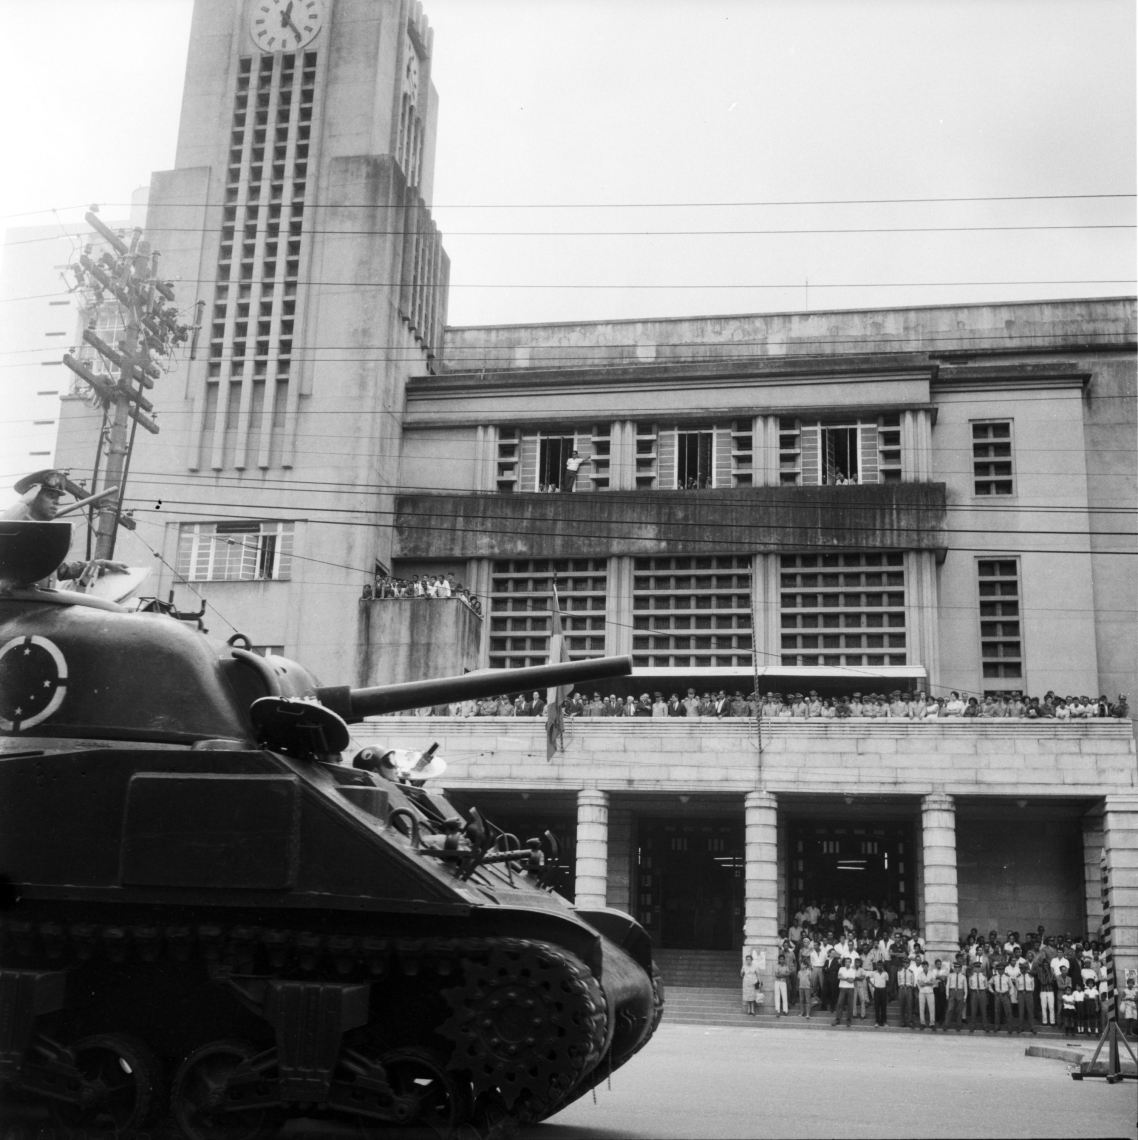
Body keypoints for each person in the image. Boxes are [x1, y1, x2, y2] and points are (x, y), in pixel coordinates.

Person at [832, 957, 857, 1027]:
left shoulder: (853, 970)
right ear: (844, 962)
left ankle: (848, 1019)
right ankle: (837, 1019)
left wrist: (844, 978)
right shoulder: (841, 969)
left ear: (851, 963)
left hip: (850, 988)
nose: (847, 963)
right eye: (846, 962)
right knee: (840, 1003)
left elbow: (852, 981)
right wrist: (847, 979)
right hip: (842, 988)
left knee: (850, 1004)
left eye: (849, 962)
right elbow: (839, 977)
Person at [944, 960, 968, 1032]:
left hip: (960, 992)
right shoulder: (951, 975)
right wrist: (947, 994)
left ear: (960, 969)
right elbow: (947, 985)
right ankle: (946, 1024)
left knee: (959, 1010)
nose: (957, 969)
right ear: (954, 968)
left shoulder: (963, 977)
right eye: (956, 968)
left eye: (958, 968)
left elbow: (965, 987)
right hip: (952, 991)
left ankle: (958, 1025)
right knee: (950, 1009)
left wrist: (965, 997)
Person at [915, 957, 938, 1030]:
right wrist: (928, 983)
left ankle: (932, 1023)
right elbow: (920, 984)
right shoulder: (920, 974)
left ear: (928, 966)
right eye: (923, 966)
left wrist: (926, 982)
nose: (924, 967)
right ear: (922, 967)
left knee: (931, 1008)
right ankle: (922, 1023)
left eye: (926, 966)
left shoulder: (931, 973)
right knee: (921, 1008)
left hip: (930, 992)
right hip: (922, 992)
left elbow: (934, 982)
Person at [967, 961, 989, 1033]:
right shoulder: (971, 976)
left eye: (979, 967)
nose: (977, 969)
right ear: (973, 968)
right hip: (974, 992)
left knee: (983, 1010)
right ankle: (972, 1026)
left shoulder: (984, 975)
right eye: (976, 967)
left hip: (982, 992)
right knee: (973, 1010)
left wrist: (982, 991)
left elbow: (986, 985)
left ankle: (985, 1026)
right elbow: (970, 986)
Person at [897, 958, 918, 1029]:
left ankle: (910, 1022)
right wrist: (901, 986)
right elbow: (898, 981)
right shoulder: (899, 972)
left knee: (909, 1006)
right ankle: (902, 1022)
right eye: (905, 963)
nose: (907, 964)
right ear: (903, 964)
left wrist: (910, 987)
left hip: (909, 989)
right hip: (902, 989)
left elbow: (912, 982)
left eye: (908, 963)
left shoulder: (911, 972)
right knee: (902, 1006)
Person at [774, 954, 792, 1018]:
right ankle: (778, 1011)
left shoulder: (786, 966)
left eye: (782, 959)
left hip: (783, 982)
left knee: (784, 996)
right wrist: (784, 974)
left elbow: (789, 974)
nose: (781, 960)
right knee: (777, 996)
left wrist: (781, 974)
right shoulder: (777, 966)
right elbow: (776, 975)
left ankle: (785, 1010)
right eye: (780, 959)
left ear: (784, 960)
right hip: (777, 982)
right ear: (779, 960)